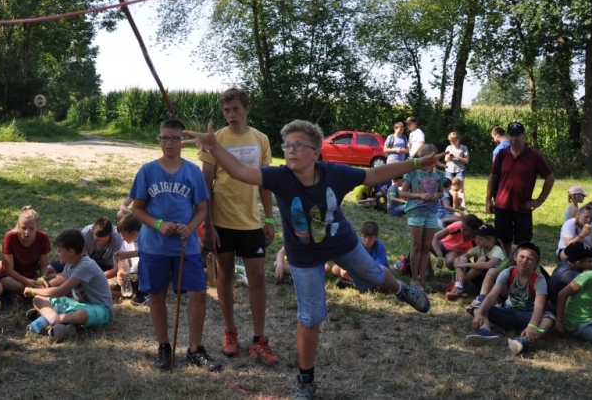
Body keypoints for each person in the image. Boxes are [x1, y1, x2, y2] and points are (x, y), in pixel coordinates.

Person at [185, 119, 438, 399]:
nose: (291, 150)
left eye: (298, 145)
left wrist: (417, 163)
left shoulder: (335, 173)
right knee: (310, 317)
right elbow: (240, 171)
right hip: (303, 255)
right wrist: (214, 147)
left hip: (342, 242)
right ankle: (306, 380)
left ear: (316, 152)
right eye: (287, 145)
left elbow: (375, 174)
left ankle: (402, 290)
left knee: (375, 276)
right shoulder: (279, 177)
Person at [130, 119, 221, 372]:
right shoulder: (147, 171)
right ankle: (163, 346)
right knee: (157, 294)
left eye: (174, 138)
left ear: (183, 141)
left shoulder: (192, 172)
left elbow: (202, 208)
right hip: (154, 245)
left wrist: (190, 228)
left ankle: (195, 349)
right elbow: (137, 209)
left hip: (186, 246)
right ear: (159, 140)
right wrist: (158, 224)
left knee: (198, 293)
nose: (168, 143)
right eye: (164, 138)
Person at [197, 88, 279, 365]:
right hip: (221, 222)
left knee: (257, 278)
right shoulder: (216, 139)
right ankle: (229, 331)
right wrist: (208, 225)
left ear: (247, 109)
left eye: (235, 109)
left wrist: (269, 219)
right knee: (225, 275)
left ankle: (259, 340)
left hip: (251, 222)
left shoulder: (260, 139)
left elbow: (265, 182)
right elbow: (205, 185)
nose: (231, 115)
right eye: (226, 110)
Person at [24, 229, 113, 341]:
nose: (57, 253)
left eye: (59, 251)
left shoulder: (85, 266)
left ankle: (54, 318)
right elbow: (62, 277)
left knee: (81, 315)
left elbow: (60, 291)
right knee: (39, 298)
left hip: (100, 308)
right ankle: (61, 323)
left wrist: (32, 291)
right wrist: (45, 280)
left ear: (70, 252)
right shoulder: (70, 263)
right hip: (78, 304)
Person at [467, 242, 555, 355]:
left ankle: (524, 341)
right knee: (478, 304)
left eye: (529, 259)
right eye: (522, 257)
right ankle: (485, 331)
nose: (524, 261)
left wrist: (532, 326)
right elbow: (492, 295)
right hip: (507, 311)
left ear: (536, 264)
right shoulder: (507, 272)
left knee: (549, 317)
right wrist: (479, 313)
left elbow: (539, 306)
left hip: (528, 316)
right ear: (515, 257)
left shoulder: (539, 279)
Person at [485, 122, 555, 259]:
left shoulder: (534, 156)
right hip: (502, 204)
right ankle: (507, 260)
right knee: (503, 238)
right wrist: (488, 199)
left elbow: (550, 177)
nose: (514, 138)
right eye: (511, 135)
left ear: (524, 136)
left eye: (518, 134)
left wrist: (540, 200)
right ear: (508, 136)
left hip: (523, 206)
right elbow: (493, 176)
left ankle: (519, 262)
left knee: (523, 241)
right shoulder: (502, 154)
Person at [401, 144, 445, 290]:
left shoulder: (438, 174)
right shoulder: (412, 173)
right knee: (417, 246)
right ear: (422, 157)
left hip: (432, 213)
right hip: (416, 212)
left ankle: (423, 278)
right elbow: (403, 192)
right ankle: (414, 279)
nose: (431, 161)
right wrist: (419, 195)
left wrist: (436, 195)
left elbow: (442, 192)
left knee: (426, 247)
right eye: (428, 158)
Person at [0, 206, 51, 302]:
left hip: (33, 275)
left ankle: (25, 293)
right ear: (18, 226)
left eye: (31, 228)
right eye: (23, 228)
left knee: (59, 278)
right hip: (14, 277)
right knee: (7, 282)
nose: (27, 232)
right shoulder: (10, 238)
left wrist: (42, 278)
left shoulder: (43, 238)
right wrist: (26, 281)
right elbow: (9, 270)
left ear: (37, 227)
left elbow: (44, 266)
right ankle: (38, 293)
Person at [447, 223, 505, 301]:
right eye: (477, 238)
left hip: (493, 282)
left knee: (483, 259)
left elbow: (489, 265)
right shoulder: (479, 248)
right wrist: (458, 269)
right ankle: (459, 287)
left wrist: (464, 264)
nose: (477, 241)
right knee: (463, 258)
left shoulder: (497, 249)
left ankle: (460, 284)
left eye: (480, 239)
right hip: (481, 279)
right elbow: (457, 259)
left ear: (490, 239)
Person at [331, 221, 389, 291]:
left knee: (384, 278)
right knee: (335, 269)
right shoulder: (356, 244)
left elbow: (379, 268)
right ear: (361, 235)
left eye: (370, 238)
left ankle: (352, 283)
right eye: (364, 237)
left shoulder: (379, 247)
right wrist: (344, 269)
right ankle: (359, 283)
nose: (367, 241)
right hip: (358, 271)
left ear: (376, 237)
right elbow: (348, 259)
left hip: (373, 271)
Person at [548, 242, 592, 309]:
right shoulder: (571, 275)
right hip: (563, 309)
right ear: (578, 263)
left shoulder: (568, 262)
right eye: (590, 261)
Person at [113, 213, 144, 304]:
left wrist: (128, 254)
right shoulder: (126, 242)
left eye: (124, 235)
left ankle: (143, 293)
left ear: (133, 233)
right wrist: (121, 271)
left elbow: (146, 253)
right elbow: (123, 262)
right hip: (132, 274)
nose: (122, 238)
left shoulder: (145, 240)